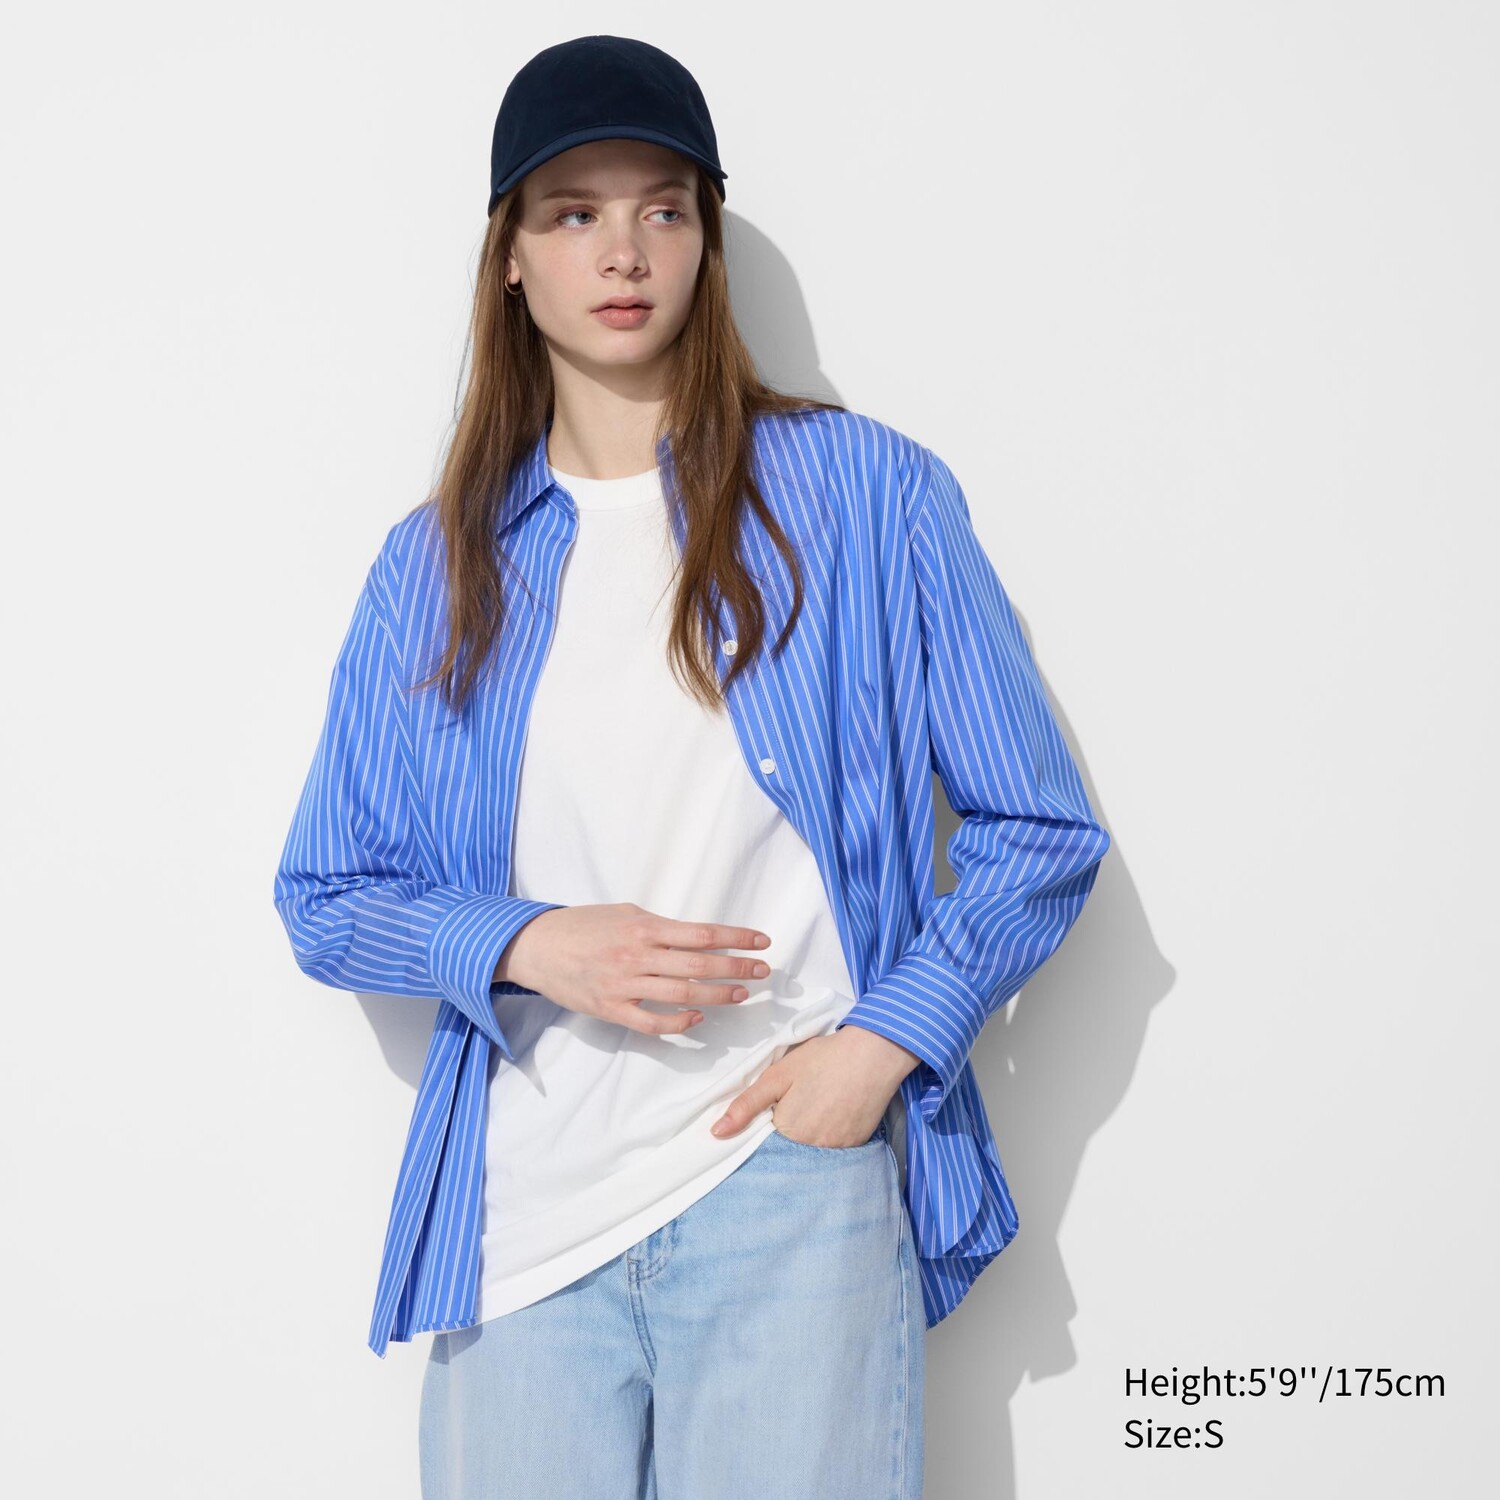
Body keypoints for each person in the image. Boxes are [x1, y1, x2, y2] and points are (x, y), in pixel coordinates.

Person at [273, 32, 1110, 1500]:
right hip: (527, 1226)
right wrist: (532, 942)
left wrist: (878, 1050)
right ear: (510, 258)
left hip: (788, 1190)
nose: (625, 251)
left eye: (663, 207)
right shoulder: (436, 566)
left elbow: (1037, 828)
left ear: (706, 241)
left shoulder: (868, 496)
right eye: (573, 213)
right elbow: (326, 895)